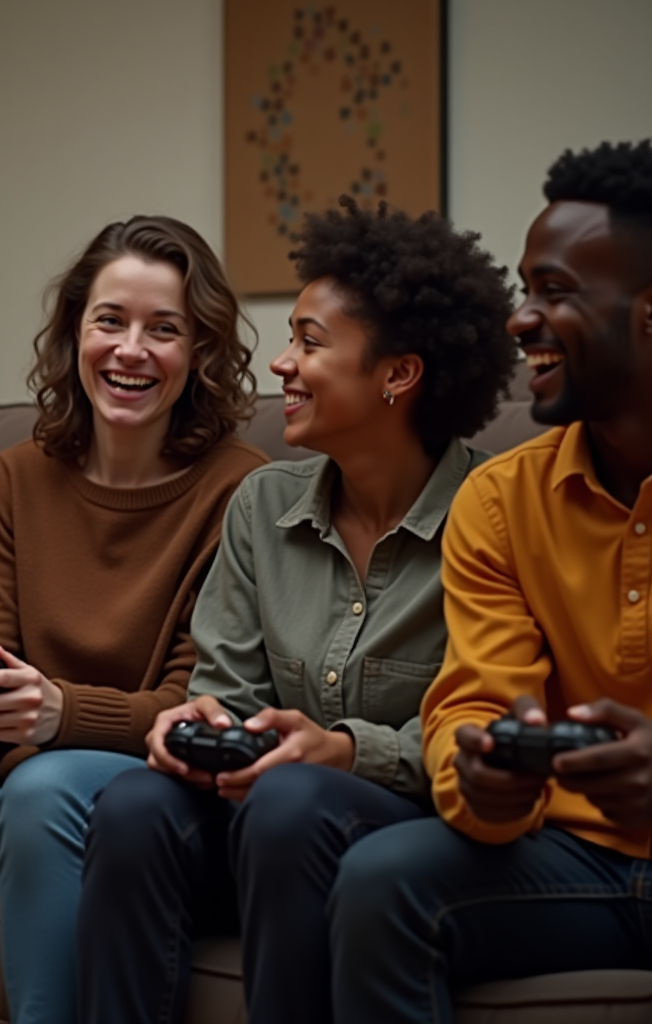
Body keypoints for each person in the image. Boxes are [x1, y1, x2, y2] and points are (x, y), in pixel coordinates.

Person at [77, 197, 519, 1024]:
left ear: (398, 374)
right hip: (263, 820)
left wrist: (350, 752)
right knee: (132, 805)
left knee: (293, 801)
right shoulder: (261, 505)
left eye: (310, 343)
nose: (280, 365)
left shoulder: (494, 512)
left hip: (396, 825)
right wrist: (199, 723)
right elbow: (225, 687)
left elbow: (490, 722)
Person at [0, 215, 268, 1024]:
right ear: (73, 333)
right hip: (20, 786)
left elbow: (203, 705)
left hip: (145, 797)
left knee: (42, 782)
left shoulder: (245, 490)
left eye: (163, 329)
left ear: (199, 351)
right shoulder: (16, 477)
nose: (131, 350)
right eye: (110, 321)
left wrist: (62, 713)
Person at [325, 139, 652, 1023]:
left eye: (556, 292)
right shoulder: (502, 498)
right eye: (523, 288)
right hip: (575, 856)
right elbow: (472, 705)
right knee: (382, 883)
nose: (520, 319)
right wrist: (483, 781)